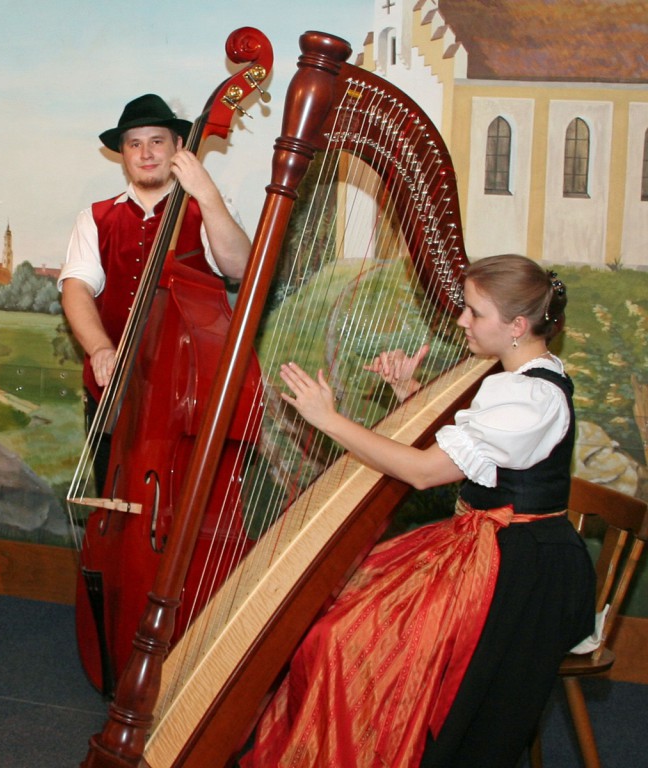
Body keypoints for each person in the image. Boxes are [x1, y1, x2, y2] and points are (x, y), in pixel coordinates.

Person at [243, 254, 596, 767]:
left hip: (523, 575)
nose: (461, 321)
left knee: (341, 641)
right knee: (334, 617)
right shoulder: (515, 379)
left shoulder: (532, 398)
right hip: (486, 547)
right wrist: (408, 392)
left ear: (517, 325)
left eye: (474, 313)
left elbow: (425, 472)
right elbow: (480, 460)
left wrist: (330, 420)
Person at [58, 93, 251, 487]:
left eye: (157, 141)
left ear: (179, 147)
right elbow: (76, 290)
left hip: (191, 395)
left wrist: (207, 193)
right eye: (134, 143)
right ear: (123, 154)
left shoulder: (209, 207)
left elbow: (240, 266)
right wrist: (99, 348)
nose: (146, 153)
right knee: (112, 503)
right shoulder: (95, 218)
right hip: (114, 393)